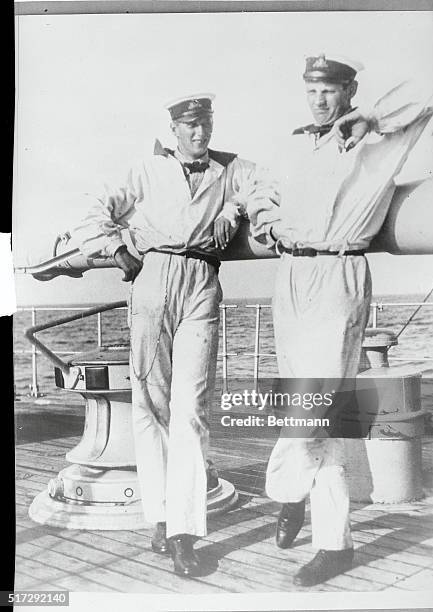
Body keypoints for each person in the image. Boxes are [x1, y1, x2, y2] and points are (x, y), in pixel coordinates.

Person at [72, 93, 280, 577]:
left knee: (190, 410)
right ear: (173, 129)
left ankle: (185, 531)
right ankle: (160, 518)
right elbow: (93, 210)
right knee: (151, 407)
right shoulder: (145, 170)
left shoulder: (231, 169)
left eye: (205, 124)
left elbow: (271, 183)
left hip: (201, 282)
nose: (199, 133)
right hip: (151, 278)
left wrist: (236, 210)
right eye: (189, 126)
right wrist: (115, 250)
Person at [263, 54, 433, 587]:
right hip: (290, 274)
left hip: (337, 276)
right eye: (312, 90)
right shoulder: (297, 144)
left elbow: (430, 89)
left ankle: (329, 539)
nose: (319, 100)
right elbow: (271, 198)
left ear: (350, 91)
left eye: (331, 91)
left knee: (321, 411)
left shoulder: (378, 140)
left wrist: (374, 117)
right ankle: (295, 491)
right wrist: (271, 223)